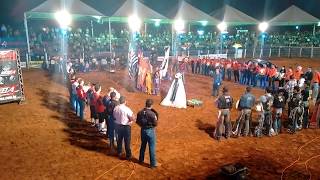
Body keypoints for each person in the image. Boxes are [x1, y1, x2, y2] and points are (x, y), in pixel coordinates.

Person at [136, 99, 160, 168]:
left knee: (143, 145)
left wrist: (142, 126)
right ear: (151, 105)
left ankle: (141, 160)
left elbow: (137, 122)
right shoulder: (152, 114)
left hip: (143, 130)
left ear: (145, 104)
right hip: (150, 131)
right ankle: (153, 164)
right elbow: (156, 124)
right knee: (152, 147)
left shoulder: (140, 112)